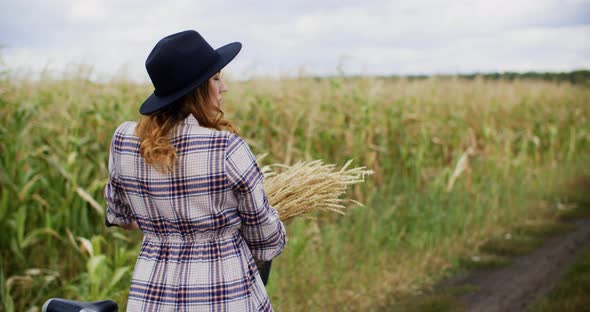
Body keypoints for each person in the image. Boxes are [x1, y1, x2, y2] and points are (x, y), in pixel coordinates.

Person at [104, 30, 287, 311]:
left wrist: (167, 225)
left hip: (151, 297)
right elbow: (265, 241)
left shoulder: (124, 140)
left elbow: (122, 218)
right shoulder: (226, 147)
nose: (223, 87)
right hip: (224, 296)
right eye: (216, 78)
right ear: (197, 89)